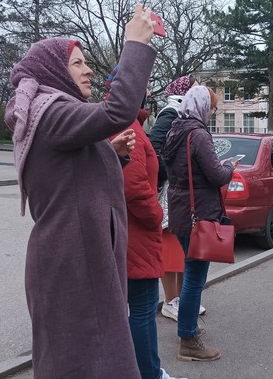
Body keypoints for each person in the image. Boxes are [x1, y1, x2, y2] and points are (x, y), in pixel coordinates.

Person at [3, 5, 156, 378]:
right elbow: (118, 110)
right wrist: (134, 44)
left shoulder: (54, 114)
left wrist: (111, 155)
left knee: (92, 362)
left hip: (80, 263)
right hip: (73, 267)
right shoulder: (50, 112)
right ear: (53, 71)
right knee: (86, 364)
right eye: (78, 63)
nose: (88, 70)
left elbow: (72, 180)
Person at [108, 72, 185, 379]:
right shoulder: (129, 127)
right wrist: (155, 214)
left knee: (133, 307)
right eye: (145, 88)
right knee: (143, 308)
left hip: (127, 230)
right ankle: (149, 374)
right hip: (135, 232)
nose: (150, 93)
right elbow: (133, 185)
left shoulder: (124, 123)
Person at [161, 85, 237, 362]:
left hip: (181, 211)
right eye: (212, 108)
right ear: (203, 107)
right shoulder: (198, 134)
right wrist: (230, 167)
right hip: (200, 213)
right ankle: (188, 340)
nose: (212, 113)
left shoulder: (174, 130)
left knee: (190, 271)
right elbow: (217, 176)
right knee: (194, 278)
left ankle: (187, 328)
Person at [149, 75, 204, 322]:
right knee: (172, 248)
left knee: (183, 249)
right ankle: (170, 301)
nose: (197, 92)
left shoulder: (182, 114)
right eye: (193, 87)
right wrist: (172, 171)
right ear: (183, 91)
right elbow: (153, 148)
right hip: (170, 193)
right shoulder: (171, 113)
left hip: (179, 193)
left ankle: (183, 298)